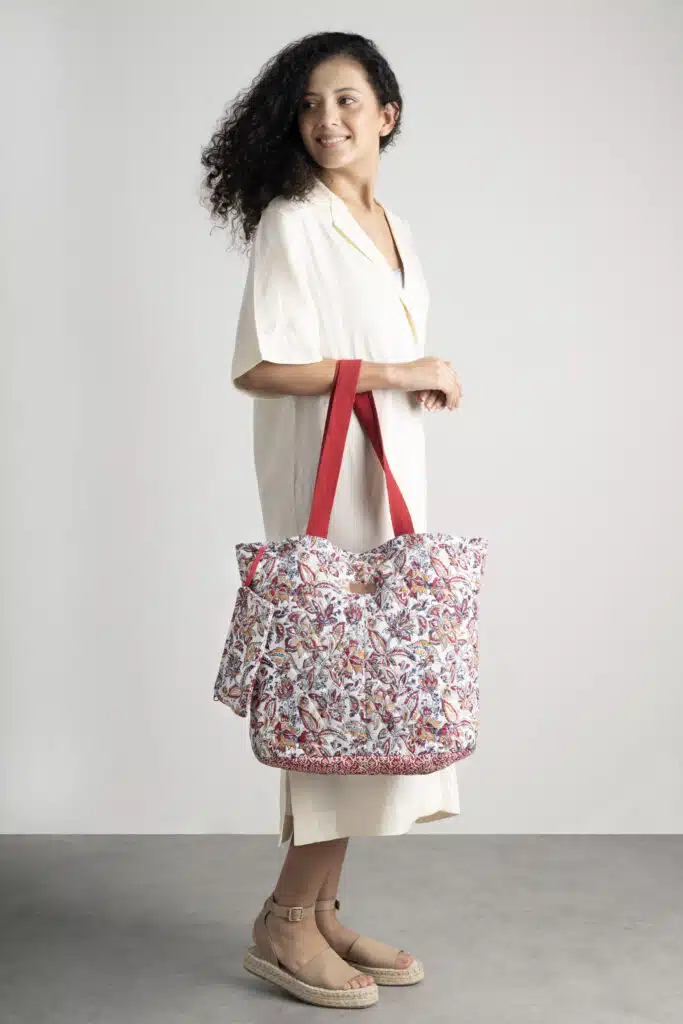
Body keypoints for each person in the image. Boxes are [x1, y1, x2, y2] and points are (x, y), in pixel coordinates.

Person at [200, 30, 463, 1010]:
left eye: (346, 100)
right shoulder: (293, 220)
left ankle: (316, 910)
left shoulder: (390, 223)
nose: (326, 119)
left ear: (386, 114)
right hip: (325, 474)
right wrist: (399, 369)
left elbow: (372, 342)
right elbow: (261, 365)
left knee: (366, 696)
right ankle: (283, 918)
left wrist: (419, 378)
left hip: (386, 472)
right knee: (336, 689)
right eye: (310, 103)